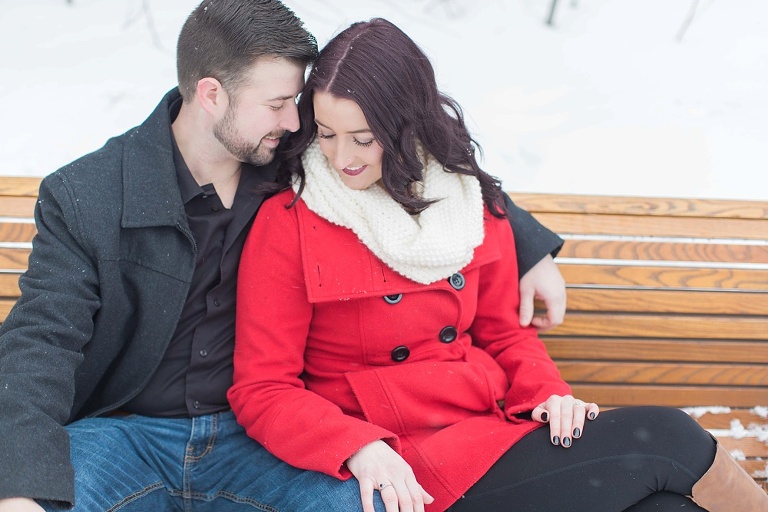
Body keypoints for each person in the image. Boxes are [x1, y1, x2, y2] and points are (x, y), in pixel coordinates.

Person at [0, 2, 568, 511]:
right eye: (277, 104)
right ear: (212, 94)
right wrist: (18, 485)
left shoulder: (296, 161)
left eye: (296, 104)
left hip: (252, 440)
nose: (295, 122)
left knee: (359, 506)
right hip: (126, 433)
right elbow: (38, 344)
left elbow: (421, 162)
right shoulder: (91, 195)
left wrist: (526, 241)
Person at [228, 18, 768, 512]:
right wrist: (359, 448)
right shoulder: (292, 220)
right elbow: (262, 388)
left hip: (488, 431)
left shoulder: (466, 202)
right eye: (325, 134)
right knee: (670, 437)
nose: (341, 157)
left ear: (407, 127)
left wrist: (548, 395)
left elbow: (505, 335)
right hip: (402, 462)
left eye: (363, 139)